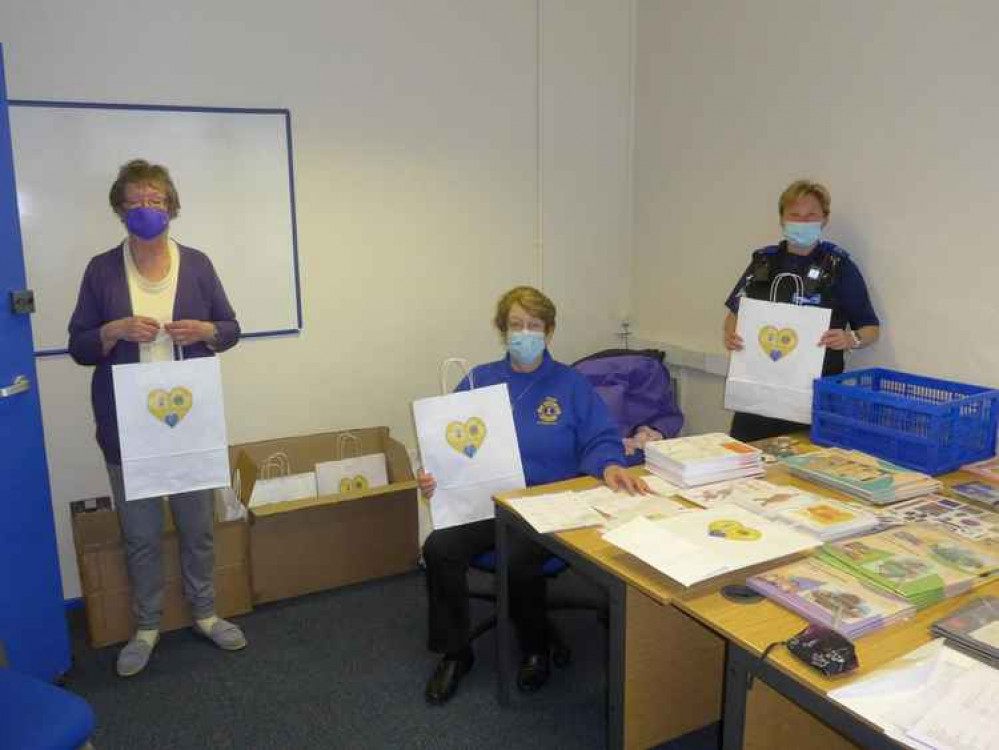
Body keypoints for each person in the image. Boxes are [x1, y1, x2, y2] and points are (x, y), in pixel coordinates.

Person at [418, 286, 649, 705]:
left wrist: (611, 464)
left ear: (549, 331)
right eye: (515, 325)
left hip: (546, 507)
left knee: (518, 558)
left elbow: (598, 436)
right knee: (439, 548)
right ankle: (456, 652)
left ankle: (535, 648)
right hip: (488, 504)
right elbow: (448, 447)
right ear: (502, 330)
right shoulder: (478, 380)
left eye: (534, 326)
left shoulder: (570, 383)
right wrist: (434, 478)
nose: (524, 333)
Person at [68, 159, 246, 677]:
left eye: (156, 199)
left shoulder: (198, 263)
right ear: (120, 208)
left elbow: (231, 328)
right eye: (136, 200)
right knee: (141, 533)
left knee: (198, 527)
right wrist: (112, 330)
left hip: (191, 422)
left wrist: (207, 331)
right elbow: (79, 345)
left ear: (171, 206)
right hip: (128, 425)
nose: (147, 209)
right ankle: (146, 627)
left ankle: (206, 614)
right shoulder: (101, 269)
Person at [723, 180, 880, 443]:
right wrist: (731, 334)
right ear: (782, 219)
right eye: (794, 215)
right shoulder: (763, 261)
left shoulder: (839, 266)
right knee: (746, 465)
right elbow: (735, 313)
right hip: (759, 393)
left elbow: (871, 328)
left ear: (824, 219)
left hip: (815, 397)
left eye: (811, 216)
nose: (802, 221)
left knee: (804, 471)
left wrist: (850, 339)